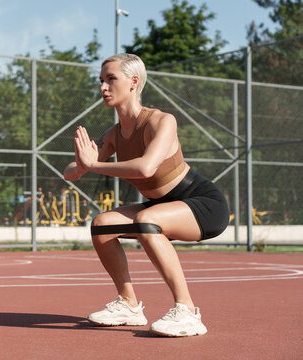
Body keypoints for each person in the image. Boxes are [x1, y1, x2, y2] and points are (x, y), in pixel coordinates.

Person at [63, 54, 229, 337]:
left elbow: (146, 167)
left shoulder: (161, 121)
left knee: (146, 219)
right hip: (159, 206)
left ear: (133, 82)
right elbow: (70, 172)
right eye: (101, 80)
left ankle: (187, 311)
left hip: (203, 204)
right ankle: (128, 305)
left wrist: (93, 165)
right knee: (102, 224)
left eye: (111, 79)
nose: (103, 87)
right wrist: (81, 165)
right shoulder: (114, 134)